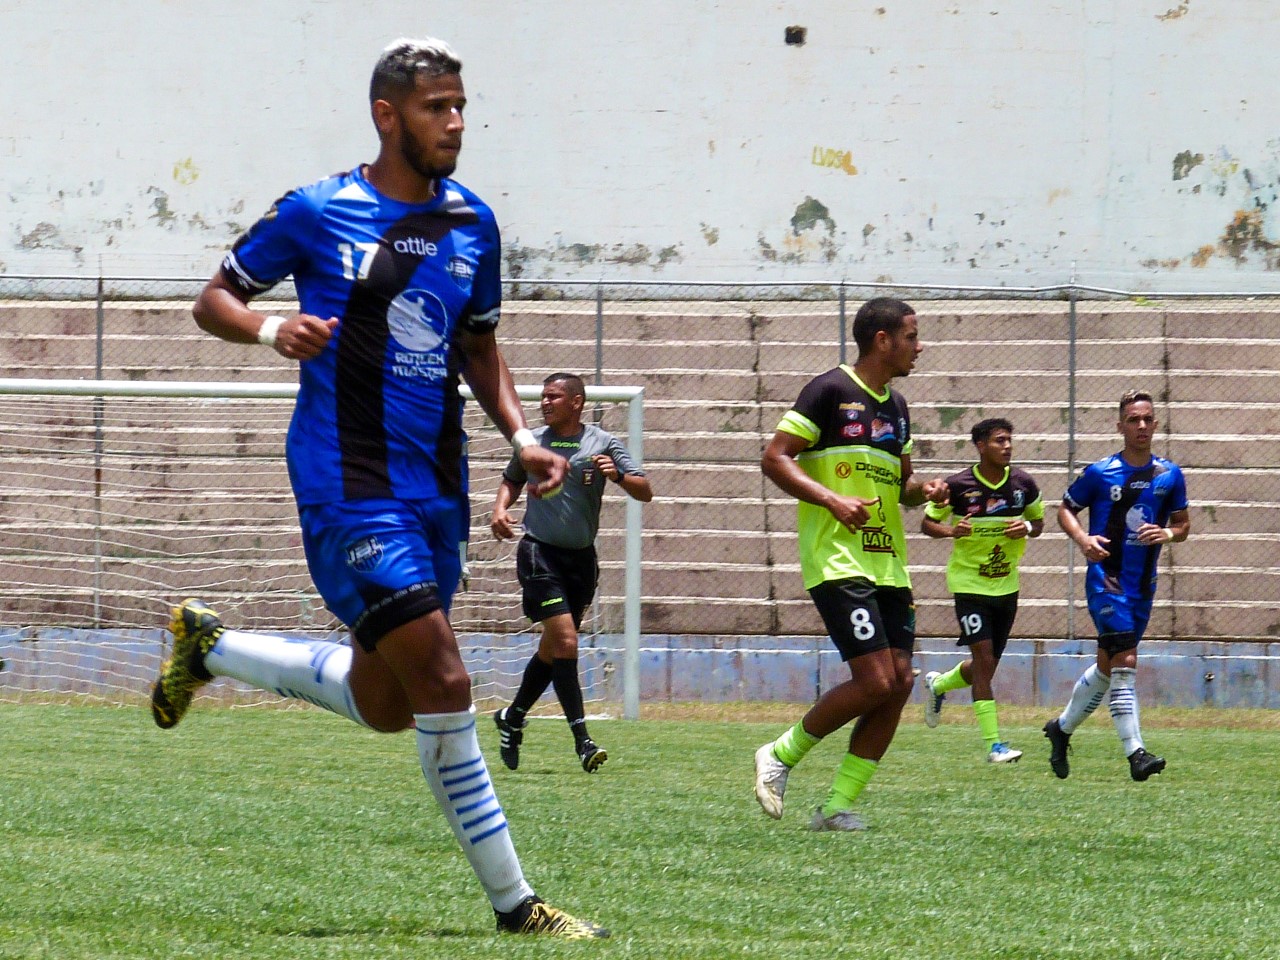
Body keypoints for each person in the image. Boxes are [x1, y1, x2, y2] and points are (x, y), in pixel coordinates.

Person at [149, 38, 608, 939]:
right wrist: (270, 328)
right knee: (445, 676)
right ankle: (518, 907)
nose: (456, 123)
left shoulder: (474, 223)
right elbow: (214, 300)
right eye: (438, 107)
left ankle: (211, 649)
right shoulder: (319, 209)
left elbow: (478, 346)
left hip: (435, 487)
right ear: (387, 116)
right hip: (348, 484)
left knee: (391, 704)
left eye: (461, 105)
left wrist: (522, 438)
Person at [753, 297, 948, 831]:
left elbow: (902, 486)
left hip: (888, 564)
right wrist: (832, 500)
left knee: (900, 682)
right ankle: (779, 755)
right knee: (876, 680)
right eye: (912, 336)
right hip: (837, 558)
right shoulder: (829, 391)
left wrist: (925, 490)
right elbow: (774, 457)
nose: (919, 346)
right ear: (883, 340)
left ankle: (837, 806)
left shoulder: (897, 407)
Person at [490, 373, 652, 773]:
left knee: (553, 649)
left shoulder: (603, 442)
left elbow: (645, 490)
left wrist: (617, 475)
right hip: (539, 553)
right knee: (565, 641)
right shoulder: (531, 442)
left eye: (554, 396)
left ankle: (512, 717)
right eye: (544, 397)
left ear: (576, 402)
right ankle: (583, 740)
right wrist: (499, 509)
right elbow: (511, 479)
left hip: (581, 561)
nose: (545, 402)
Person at [1042, 389, 1190, 782]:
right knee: (1125, 663)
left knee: (1108, 667)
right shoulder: (1100, 472)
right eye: (1133, 420)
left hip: (1143, 586)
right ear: (1120, 426)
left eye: (1147, 419)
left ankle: (1061, 729)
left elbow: (1183, 525)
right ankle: (1136, 753)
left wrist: (1168, 534)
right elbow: (1065, 509)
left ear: (1155, 424)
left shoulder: (1170, 474)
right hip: (1106, 581)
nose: (1141, 426)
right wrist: (1083, 539)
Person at [920, 418, 1045, 763]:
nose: (1007, 446)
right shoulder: (958, 485)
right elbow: (927, 523)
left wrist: (1027, 527)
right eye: (999, 440)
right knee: (985, 660)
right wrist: (951, 531)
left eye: (1009, 440)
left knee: (984, 667)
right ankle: (995, 746)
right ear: (980, 446)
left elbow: (1039, 523)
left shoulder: (1023, 484)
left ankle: (939, 685)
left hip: (1006, 587)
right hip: (969, 586)